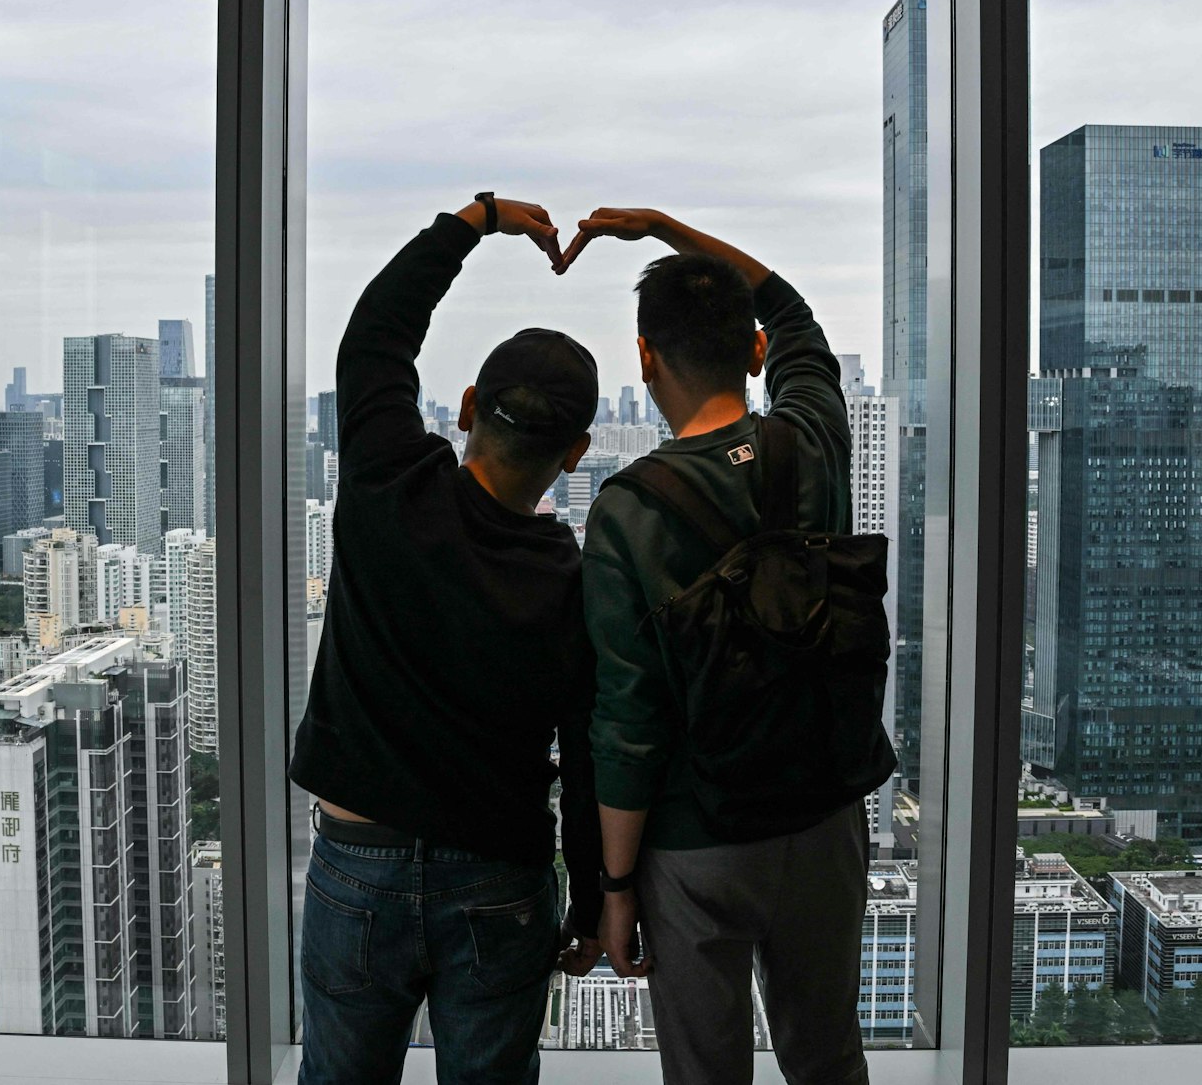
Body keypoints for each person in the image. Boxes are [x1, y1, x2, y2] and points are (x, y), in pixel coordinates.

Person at [289, 194, 605, 1084]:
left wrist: (476, 220)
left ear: (466, 406)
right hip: (499, 885)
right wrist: (591, 893)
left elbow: (375, 339)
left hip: (357, 863)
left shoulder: (391, 482)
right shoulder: (571, 582)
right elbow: (587, 753)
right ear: (577, 451)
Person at [560, 208, 871, 1085]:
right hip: (823, 819)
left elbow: (626, 719)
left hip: (697, 842)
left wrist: (615, 889)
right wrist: (664, 228)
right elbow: (794, 308)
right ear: (757, 352)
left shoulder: (625, 508)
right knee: (830, 1058)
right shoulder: (809, 443)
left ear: (646, 358)